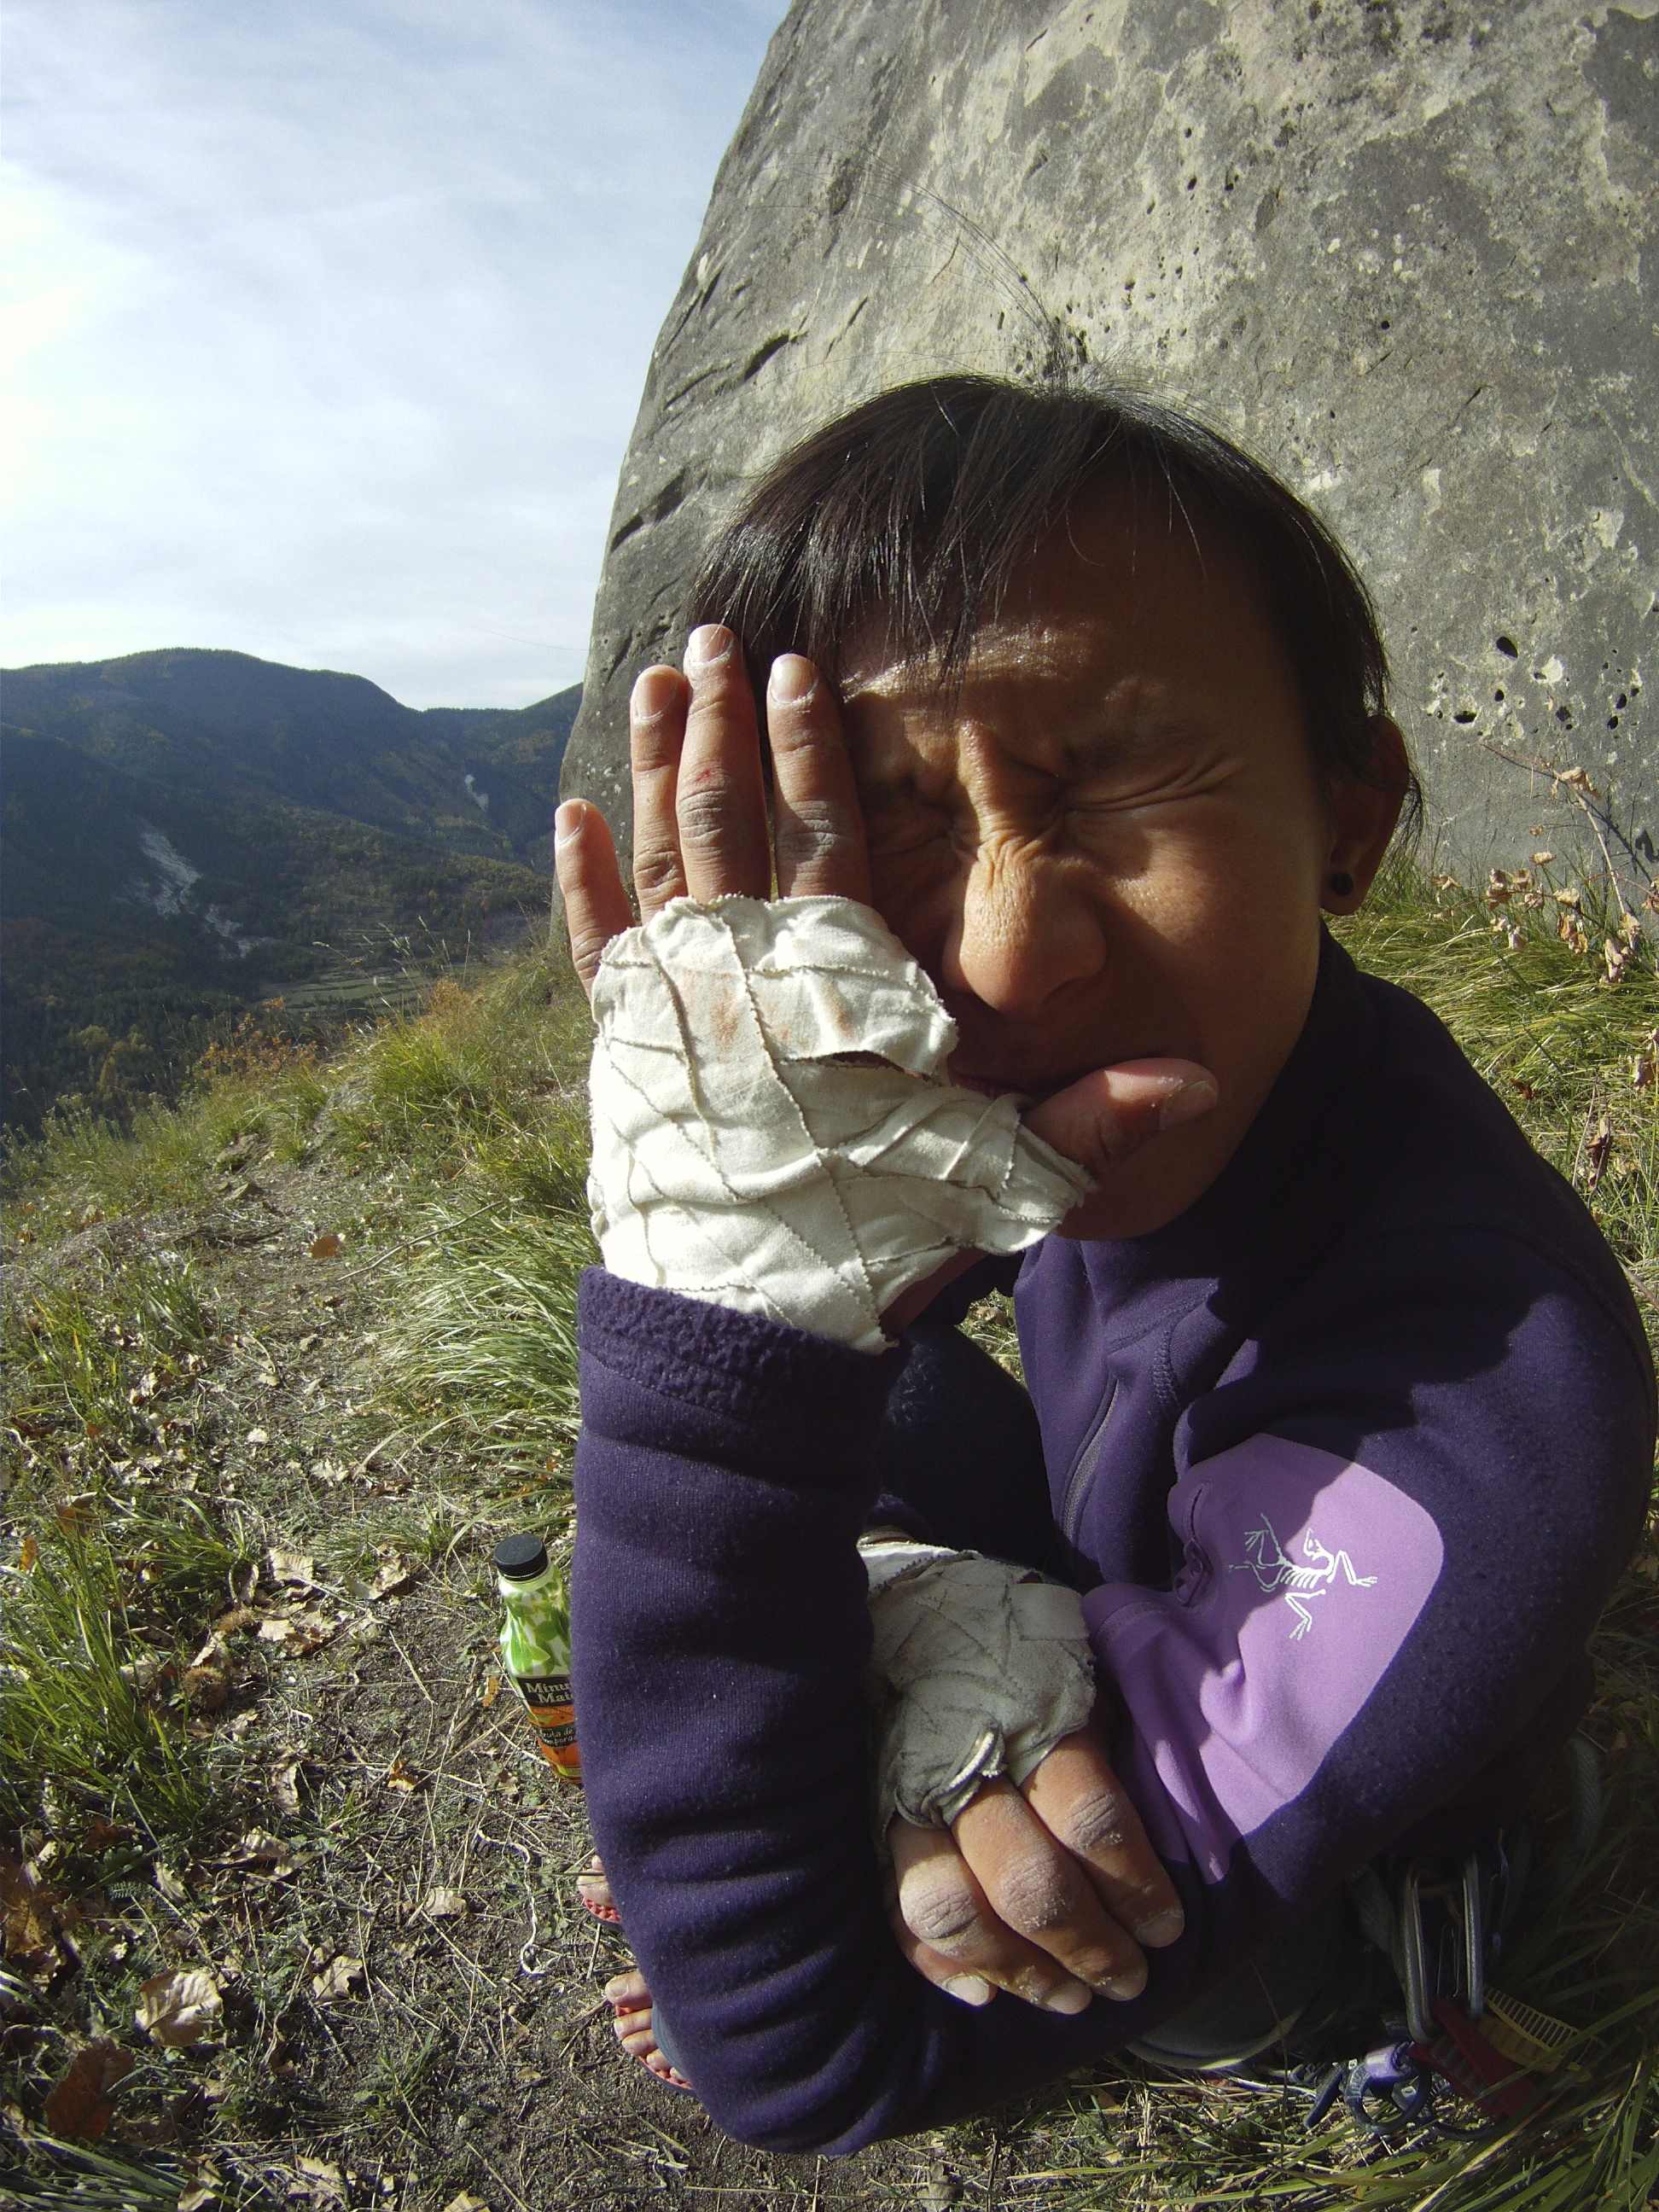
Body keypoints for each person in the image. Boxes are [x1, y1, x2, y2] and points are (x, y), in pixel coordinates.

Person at [551, 375, 1655, 2153]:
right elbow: (818, 1371)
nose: (1012, 958)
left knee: (1070, 1917)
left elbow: (801, 2057)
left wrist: (814, 1745)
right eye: (897, 820)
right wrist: (912, 1589)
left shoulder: (1489, 1398)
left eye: (1114, 777)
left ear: (1351, 816)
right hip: (1115, 1542)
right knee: (799, 1359)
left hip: (1352, 1890)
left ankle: (1325, 2021)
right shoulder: (1222, 1081)